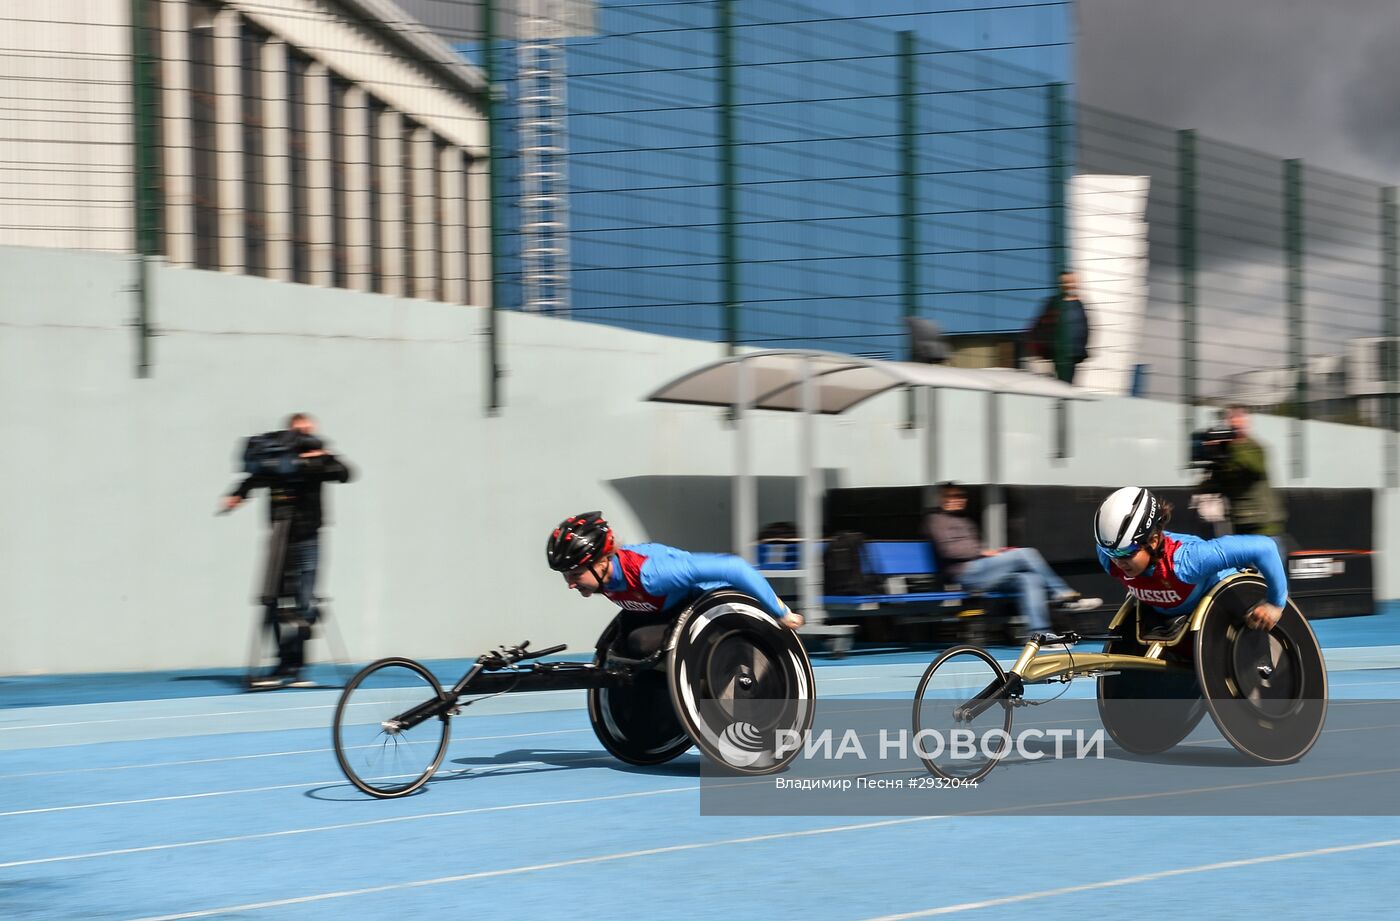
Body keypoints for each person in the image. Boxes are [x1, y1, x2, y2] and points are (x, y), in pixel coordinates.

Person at [546, 511, 803, 657]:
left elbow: (734, 566)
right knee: (619, 648)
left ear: (601, 562)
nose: (570, 584)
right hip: (672, 607)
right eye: (566, 576)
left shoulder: (653, 574)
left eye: (575, 575)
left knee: (641, 643)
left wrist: (781, 612)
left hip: (715, 605)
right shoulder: (603, 578)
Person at [222, 413, 353, 688]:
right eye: (299, 432)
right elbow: (254, 478)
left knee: (305, 603)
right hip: (281, 538)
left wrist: (319, 458)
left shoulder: (320, 459)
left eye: (308, 432)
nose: (304, 438)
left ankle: (296, 667)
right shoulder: (278, 462)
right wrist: (238, 495)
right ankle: (285, 664)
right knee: (274, 602)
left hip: (308, 537)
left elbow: (345, 473)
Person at [1094, 486, 1285, 638]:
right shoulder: (1109, 558)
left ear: (1152, 541)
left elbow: (1265, 547)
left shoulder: (1189, 561)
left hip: (1231, 616)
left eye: (1125, 552)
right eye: (1110, 551)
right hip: (1174, 621)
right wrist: (1117, 552)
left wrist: (1275, 604)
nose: (1118, 562)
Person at [924, 482, 1101, 635]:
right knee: (1026, 553)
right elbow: (948, 550)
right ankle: (1062, 595)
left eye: (960, 495)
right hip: (966, 574)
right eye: (951, 495)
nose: (957, 499)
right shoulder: (936, 520)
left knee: (1030, 579)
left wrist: (991, 553)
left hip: (983, 571)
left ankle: (1040, 634)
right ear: (942, 499)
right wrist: (981, 552)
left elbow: (974, 549)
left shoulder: (965, 521)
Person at [1195, 404, 1286, 544]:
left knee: (1270, 565)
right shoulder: (1226, 453)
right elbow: (1218, 482)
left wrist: (1233, 444)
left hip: (1264, 527)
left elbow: (1252, 467)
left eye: (1239, 421)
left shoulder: (1255, 448)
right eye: (1232, 421)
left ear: (1246, 423)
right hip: (1241, 525)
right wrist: (1214, 453)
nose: (1235, 426)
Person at [1026, 270, 1091, 384]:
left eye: (1072, 281)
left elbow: (1084, 327)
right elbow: (1040, 325)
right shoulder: (1054, 303)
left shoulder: (1080, 304)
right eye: (1066, 282)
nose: (1070, 284)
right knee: (1060, 385)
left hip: (1074, 354)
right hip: (1058, 354)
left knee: (1068, 385)